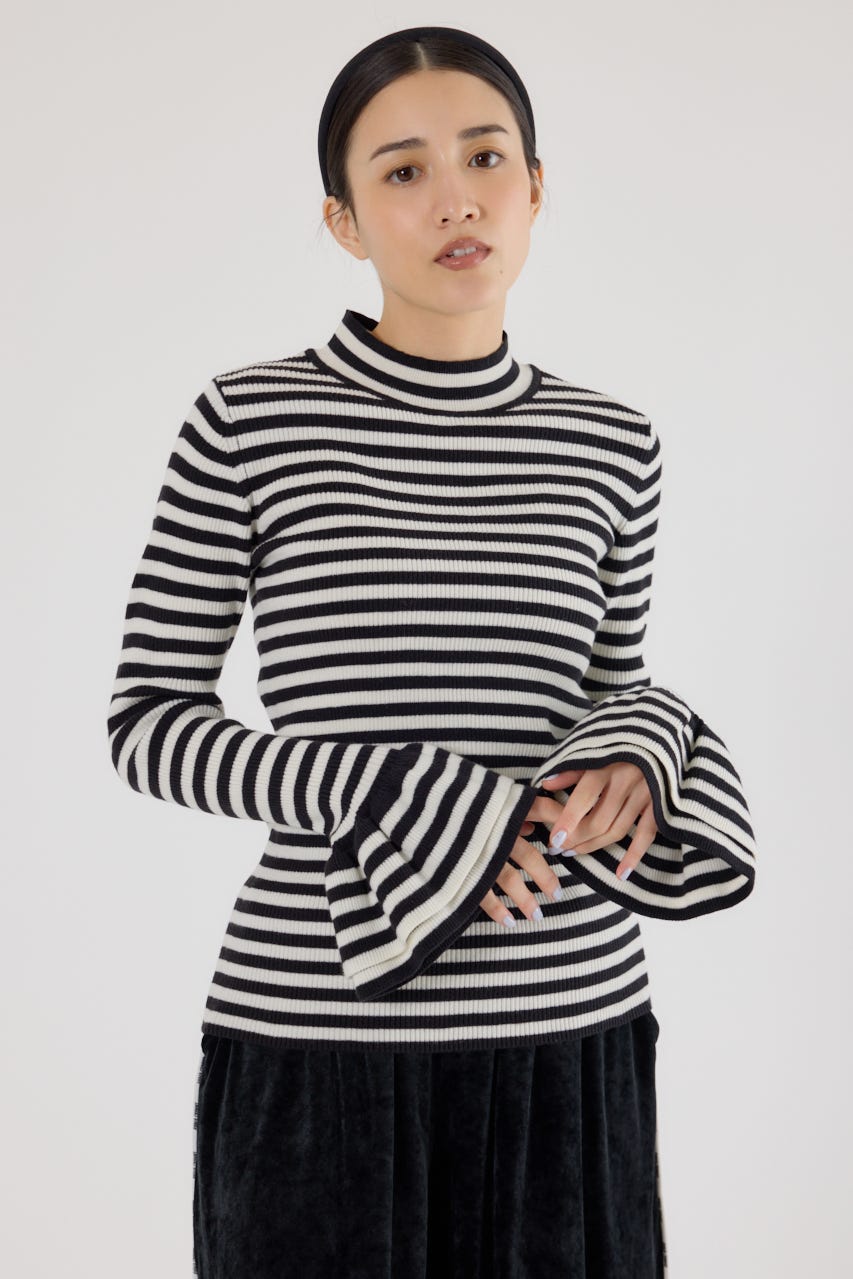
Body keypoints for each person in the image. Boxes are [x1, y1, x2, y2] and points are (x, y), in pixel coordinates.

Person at [106, 25, 757, 1279]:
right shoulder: (248, 420)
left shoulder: (612, 442)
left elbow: (606, 694)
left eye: (486, 157)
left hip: (572, 1025)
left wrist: (646, 741)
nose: (456, 197)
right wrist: (398, 785)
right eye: (402, 171)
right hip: (320, 1031)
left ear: (536, 187)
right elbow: (147, 723)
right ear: (344, 221)